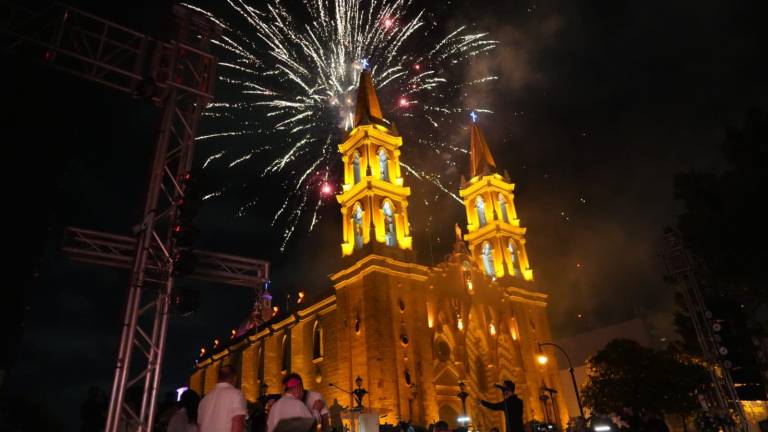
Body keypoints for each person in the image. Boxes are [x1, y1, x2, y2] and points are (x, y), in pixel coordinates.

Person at [199, 365, 248, 432]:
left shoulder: (204, 399)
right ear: (234, 378)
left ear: (218, 378)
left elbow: (199, 427)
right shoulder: (236, 394)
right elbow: (237, 421)